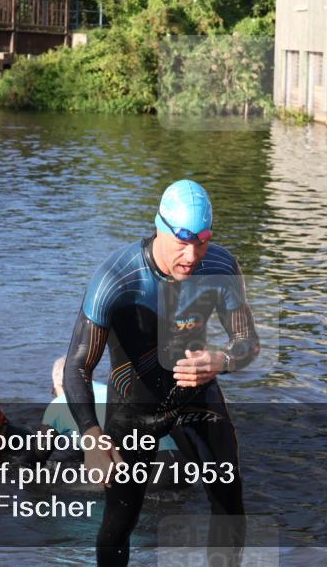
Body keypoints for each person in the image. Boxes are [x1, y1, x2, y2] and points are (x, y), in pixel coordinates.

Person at [64, 179, 260, 565]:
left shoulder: (220, 266)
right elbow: (77, 367)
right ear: (159, 228)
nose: (193, 255)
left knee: (229, 500)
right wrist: (91, 436)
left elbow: (248, 342)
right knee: (121, 520)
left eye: (202, 242)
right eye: (183, 242)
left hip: (195, 396)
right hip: (133, 408)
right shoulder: (117, 279)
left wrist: (223, 360)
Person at [44, 357, 187, 490]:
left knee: (66, 486)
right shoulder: (110, 391)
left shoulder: (58, 403)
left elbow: (37, 454)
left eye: (53, 391)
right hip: (182, 464)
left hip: (150, 472)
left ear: (60, 385)